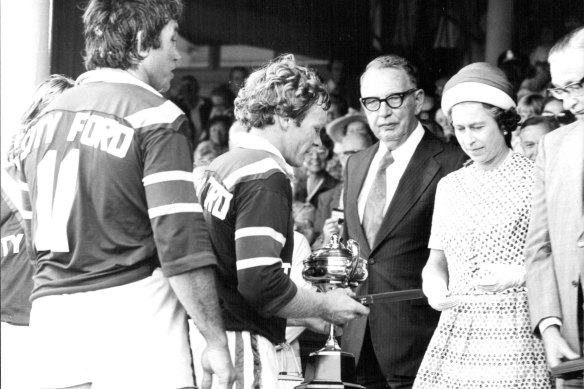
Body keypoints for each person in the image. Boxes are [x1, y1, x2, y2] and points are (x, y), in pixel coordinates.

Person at [16, 1, 235, 388]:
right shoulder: (156, 114)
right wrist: (215, 340)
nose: (177, 53)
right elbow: (180, 243)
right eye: (170, 40)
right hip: (135, 315)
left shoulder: (41, 122)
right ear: (139, 43)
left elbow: (34, 243)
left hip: (51, 316)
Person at [191, 54, 369, 388]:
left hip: (212, 335)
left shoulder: (224, 164)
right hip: (241, 342)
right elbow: (260, 282)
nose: (318, 142)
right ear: (286, 118)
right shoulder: (267, 176)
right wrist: (324, 304)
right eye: (315, 129)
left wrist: (308, 312)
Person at [414, 62, 552, 388]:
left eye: (477, 127)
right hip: (458, 325)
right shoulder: (450, 186)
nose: (468, 139)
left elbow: (558, 258)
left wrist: (519, 274)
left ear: (503, 123)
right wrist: (433, 285)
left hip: (516, 326)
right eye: (460, 129)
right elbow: (436, 261)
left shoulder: (536, 180)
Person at [340, 54, 467, 389]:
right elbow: (354, 250)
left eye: (394, 99)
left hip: (421, 344)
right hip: (356, 344)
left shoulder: (453, 162)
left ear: (419, 100)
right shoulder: (355, 165)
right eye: (372, 102)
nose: (383, 112)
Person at [1, 74, 74, 389]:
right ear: (31, 122)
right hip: (13, 333)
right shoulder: (5, 187)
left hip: (70, 333)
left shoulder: (87, 189)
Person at [525, 26, 584, 389]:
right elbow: (540, 247)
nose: (569, 102)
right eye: (561, 89)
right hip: (574, 338)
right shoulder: (554, 146)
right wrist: (549, 327)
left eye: (578, 85)